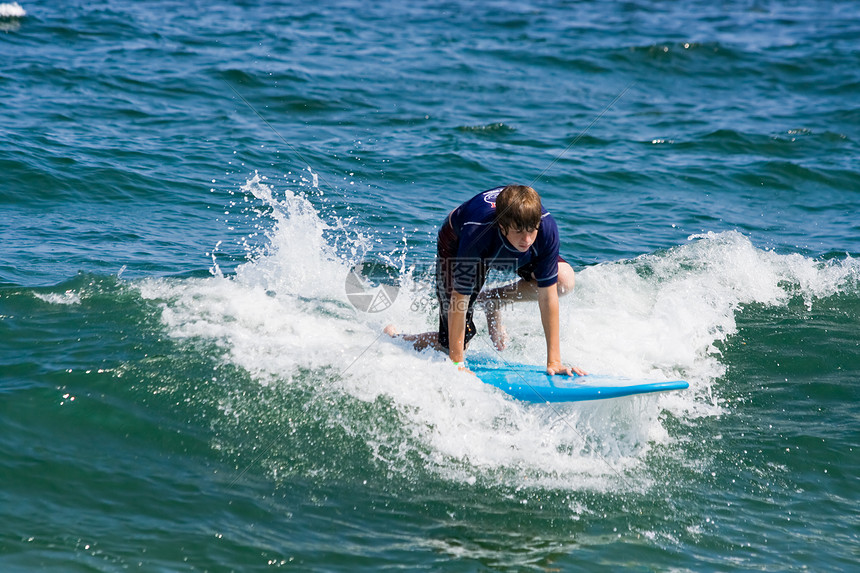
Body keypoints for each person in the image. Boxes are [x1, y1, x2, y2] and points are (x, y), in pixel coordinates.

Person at [385, 184, 586, 376]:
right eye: (519, 232)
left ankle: (494, 299)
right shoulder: (476, 233)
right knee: (450, 349)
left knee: (563, 280)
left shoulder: (545, 229)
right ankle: (397, 339)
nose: (527, 240)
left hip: (500, 243)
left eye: (531, 231)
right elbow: (459, 300)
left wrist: (554, 362)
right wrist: (457, 363)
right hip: (457, 242)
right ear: (502, 225)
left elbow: (548, 297)